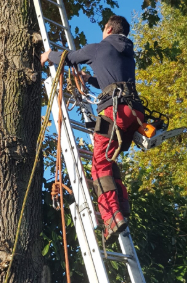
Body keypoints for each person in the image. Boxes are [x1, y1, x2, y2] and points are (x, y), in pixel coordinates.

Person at [41, 15, 144, 243]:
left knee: (99, 166)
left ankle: (112, 217)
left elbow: (70, 59)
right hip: (135, 112)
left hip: (114, 112)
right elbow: (113, 78)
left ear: (107, 28)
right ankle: (122, 206)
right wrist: (89, 79)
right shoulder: (127, 53)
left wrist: (49, 56)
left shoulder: (99, 47)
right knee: (110, 161)